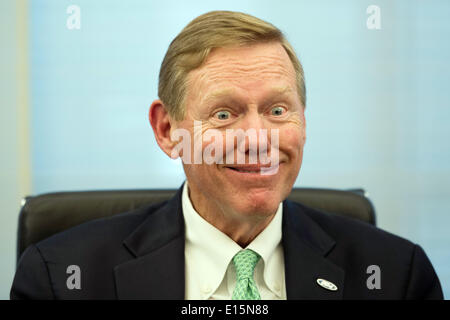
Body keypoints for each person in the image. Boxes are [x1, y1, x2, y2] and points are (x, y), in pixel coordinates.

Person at [11, 10, 443, 300]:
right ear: (167, 130)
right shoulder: (62, 279)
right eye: (223, 113)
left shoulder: (396, 275)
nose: (257, 138)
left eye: (278, 110)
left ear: (303, 122)